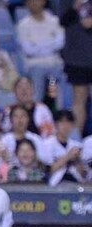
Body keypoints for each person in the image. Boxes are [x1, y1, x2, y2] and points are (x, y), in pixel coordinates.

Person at [16, 0, 65, 103]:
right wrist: (50, 44)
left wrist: (38, 45)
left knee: (58, 79)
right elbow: (28, 50)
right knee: (38, 73)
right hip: (35, 64)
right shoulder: (23, 25)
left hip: (54, 63)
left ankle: (61, 112)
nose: (34, 3)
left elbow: (60, 42)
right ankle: (36, 107)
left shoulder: (54, 21)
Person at [61, 0, 92, 135]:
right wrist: (75, 7)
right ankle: (76, 138)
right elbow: (62, 20)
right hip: (77, 57)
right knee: (79, 100)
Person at [43, 110, 87, 186]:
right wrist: (68, 157)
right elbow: (47, 171)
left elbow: (83, 174)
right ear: (56, 124)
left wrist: (78, 160)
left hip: (76, 184)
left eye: (69, 122)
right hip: (54, 184)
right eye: (62, 122)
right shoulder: (47, 144)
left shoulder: (77, 145)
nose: (65, 126)